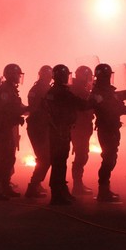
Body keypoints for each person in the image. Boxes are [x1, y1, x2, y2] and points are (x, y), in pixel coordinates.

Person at [45, 64, 89, 205]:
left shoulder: (52, 91)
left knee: (59, 163)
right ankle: (58, 194)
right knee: (59, 163)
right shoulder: (62, 92)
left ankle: (61, 191)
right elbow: (81, 105)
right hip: (61, 130)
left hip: (57, 129)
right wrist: (96, 101)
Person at [89, 64, 126, 202]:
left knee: (111, 158)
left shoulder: (108, 91)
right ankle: (103, 191)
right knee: (108, 159)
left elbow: (114, 105)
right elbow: (105, 109)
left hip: (113, 128)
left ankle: (105, 190)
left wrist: (123, 108)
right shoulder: (97, 93)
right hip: (106, 128)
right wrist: (122, 109)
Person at [0, 63, 27, 200]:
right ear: (11, 75)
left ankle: (4, 187)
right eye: (17, 74)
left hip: (7, 128)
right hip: (3, 129)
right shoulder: (5, 90)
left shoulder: (10, 89)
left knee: (9, 159)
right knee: (3, 159)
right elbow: (8, 109)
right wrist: (23, 111)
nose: (18, 77)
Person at [24, 65, 52, 198]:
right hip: (39, 127)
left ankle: (36, 184)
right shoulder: (45, 90)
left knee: (44, 157)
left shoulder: (37, 88)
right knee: (45, 158)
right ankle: (33, 186)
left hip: (38, 126)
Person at [69, 66, 95, 195]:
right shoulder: (81, 91)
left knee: (81, 155)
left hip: (78, 127)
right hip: (80, 128)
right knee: (81, 156)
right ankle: (77, 185)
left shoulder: (74, 88)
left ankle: (77, 184)